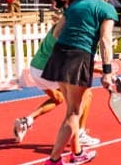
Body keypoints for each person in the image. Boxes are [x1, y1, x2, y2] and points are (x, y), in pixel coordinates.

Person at [39, 0, 120, 165]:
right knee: (74, 112)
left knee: (72, 110)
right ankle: (54, 161)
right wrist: (108, 72)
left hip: (59, 55)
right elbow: (105, 41)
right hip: (78, 57)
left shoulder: (75, 4)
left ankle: (77, 153)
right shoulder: (107, 9)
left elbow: (57, 33)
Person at [13, 11, 99, 148]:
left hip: (36, 69)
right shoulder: (68, 35)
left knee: (58, 98)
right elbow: (75, 61)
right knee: (86, 94)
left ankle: (27, 121)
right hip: (48, 70)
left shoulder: (57, 29)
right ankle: (80, 133)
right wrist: (105, 70)